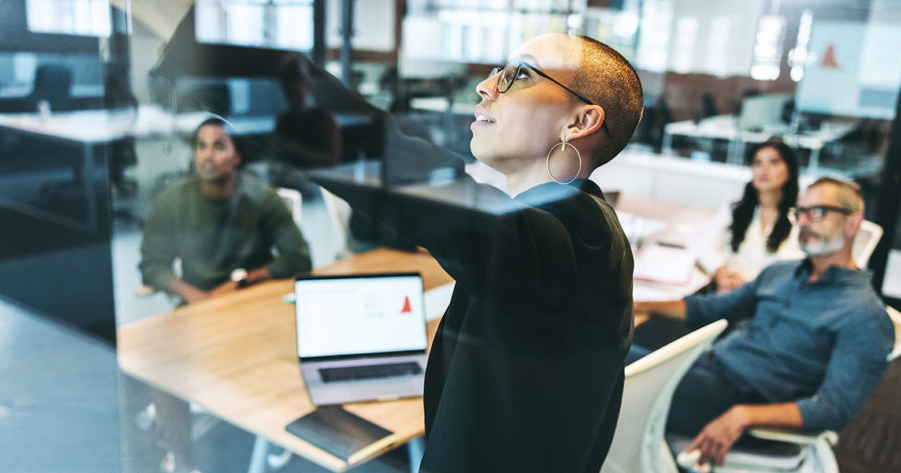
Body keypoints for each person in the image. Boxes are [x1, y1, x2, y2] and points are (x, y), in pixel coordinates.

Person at [278, 33, 643, 471]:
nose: (485, 87)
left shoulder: (582, 235)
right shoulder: (572, 226)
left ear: (579, 121)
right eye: (495, 72)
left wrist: (272, 84)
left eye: (519, 75)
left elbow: (441, 200)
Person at [634, 177, 894, 468]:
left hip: (743, 399)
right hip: (704, 368)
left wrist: (744, 415)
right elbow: (711, 308)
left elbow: (833, 409)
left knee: (606, 372)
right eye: (801, 212)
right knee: (607, 350)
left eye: (818, 212)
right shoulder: (781, 272)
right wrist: (637, 304)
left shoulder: (864, 315)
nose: (804, 222)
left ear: (852, 223)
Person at [140, 117, 312, 304]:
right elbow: (152, 265)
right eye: (201, 146)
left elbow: (298, 258)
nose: (207, 155)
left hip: (252, 296)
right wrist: (195, 297)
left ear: (237, 156)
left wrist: (243, 280)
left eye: (218, 146)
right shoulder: (171, 201)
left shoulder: (262, 197)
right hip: (197, 303)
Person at [701, 138, 804, 293]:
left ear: (790, 170)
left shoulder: (800, 218)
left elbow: (798, 269)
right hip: (729, 294)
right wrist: (720, 272)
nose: (764, 169)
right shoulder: (734, 208)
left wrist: (751, 285)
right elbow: (705, 247)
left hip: (770, 299)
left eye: (774, 162)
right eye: (757, 163)